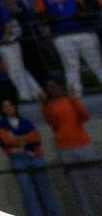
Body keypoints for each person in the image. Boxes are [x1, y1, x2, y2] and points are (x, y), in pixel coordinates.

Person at [35, 0, 102, 94]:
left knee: (96, 63)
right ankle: (75, 95)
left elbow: (84, 8)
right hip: (61, 36)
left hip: (83, 32)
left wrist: (80, 13)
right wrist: (49, 17)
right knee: (71, 67)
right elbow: (40, 16)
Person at [41, 78, 100, 215]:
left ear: (60, 87)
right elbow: (52, 123)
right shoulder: (48, 106)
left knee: (97, 183)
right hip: (65, 149)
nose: (53, 89)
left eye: (55, 85)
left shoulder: (70, 100)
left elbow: (85, 117)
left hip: (83, 146)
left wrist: (74, 100)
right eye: (49, 87)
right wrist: (44, 105)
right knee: (79, 188)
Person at [0, 97, 61, 216]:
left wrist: (17, 140)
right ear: (2, 110)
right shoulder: (1, 125)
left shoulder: (26, 121)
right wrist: (25, 139)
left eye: (10, 105)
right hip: (18, 159)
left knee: (45, 189)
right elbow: (6, 140)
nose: (9, 108)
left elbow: (35, 137)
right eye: (5, 107)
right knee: (27, 192)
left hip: (34, 156)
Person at [0, 0, 46, 102]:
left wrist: (6, 36)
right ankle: (37, 92)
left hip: (9, 43)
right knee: (19, 68)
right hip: (1, 43)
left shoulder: (0, 7)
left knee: (14, 70)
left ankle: (24, 96)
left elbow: (8, 23)